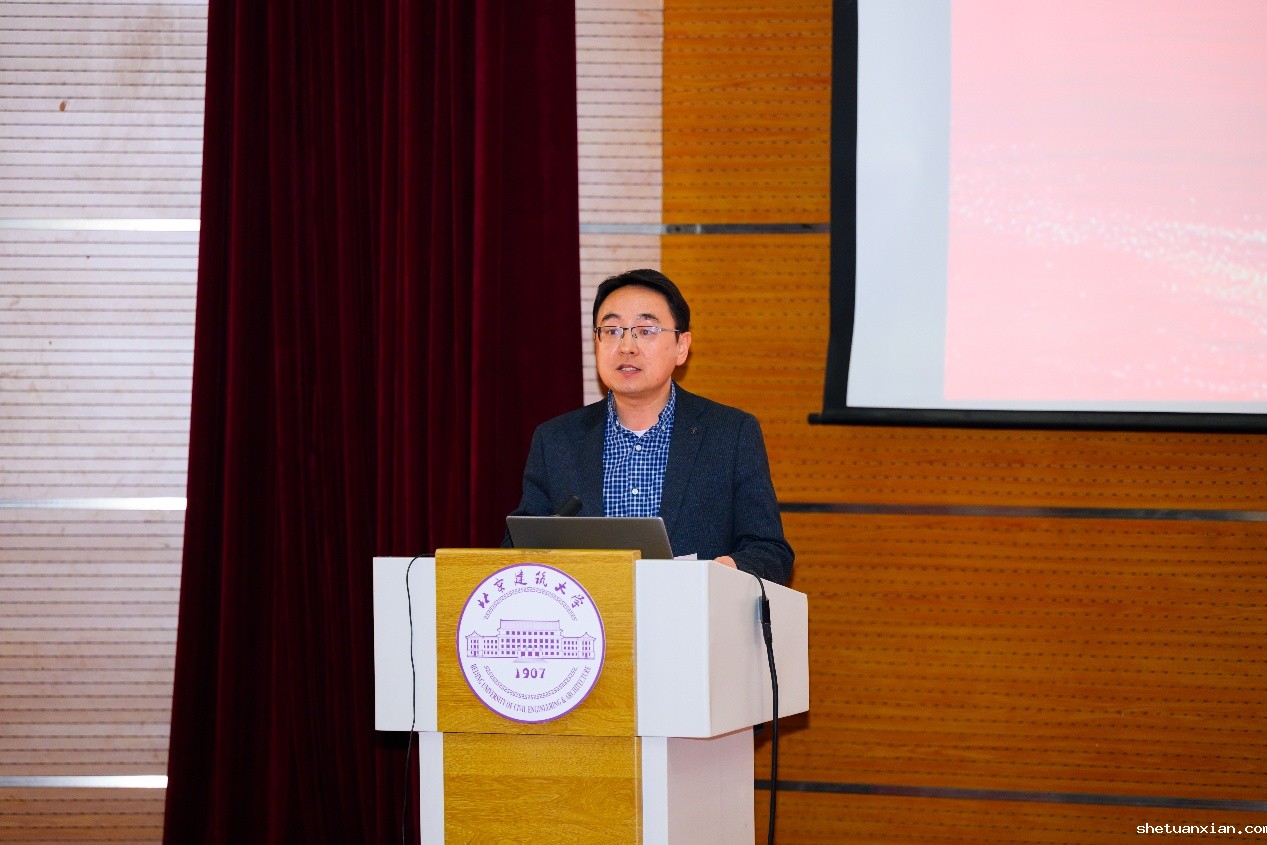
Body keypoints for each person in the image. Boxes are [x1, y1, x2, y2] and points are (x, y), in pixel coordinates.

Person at [506, 268, 793, 585]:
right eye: (612, 330)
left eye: (645, 331)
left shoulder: (731, 434)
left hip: (690, 612)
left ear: (681, 346)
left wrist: (725, 571)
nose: (626, 346)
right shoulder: (556, 440)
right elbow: (517, 550)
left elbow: (771, 553)